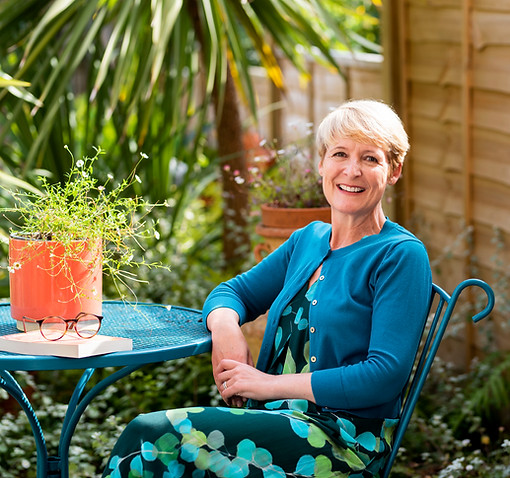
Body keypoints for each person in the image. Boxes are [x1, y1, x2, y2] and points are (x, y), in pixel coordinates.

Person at [102, 99, 432, 478]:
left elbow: (383, 376)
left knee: (156, 435)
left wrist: (267, 385)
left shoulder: (400, 255)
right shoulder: (309, 239)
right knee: (156, 441)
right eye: (340, 153)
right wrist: (226, 328)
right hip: (276, 422)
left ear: (394, 170)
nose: (352, 170)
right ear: (322, 163)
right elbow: (231, 293)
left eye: (370, 159)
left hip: (342, 439)